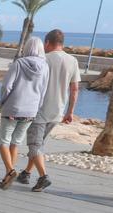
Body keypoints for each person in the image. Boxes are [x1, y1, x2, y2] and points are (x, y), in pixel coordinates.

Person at [17, 29, 79, 192]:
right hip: (58, 110)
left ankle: (43, 177)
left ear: (47, 43)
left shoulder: (44, 59)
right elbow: (74, 89)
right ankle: (26, 173)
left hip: (39, 109)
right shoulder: (73, 60)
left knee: (34, 145)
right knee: (39, 145)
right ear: (62, 43)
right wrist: (70, 111)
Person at [0, 35, 49, 189]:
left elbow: (7, 86)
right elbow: (43, 91)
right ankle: (8, 176)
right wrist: (36, 107)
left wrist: (2, 101)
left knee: (3, 141)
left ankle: (10, 170)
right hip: (31, 110)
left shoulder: (19, 63)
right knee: (16, 142)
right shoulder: (45, 66)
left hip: (13, 107)